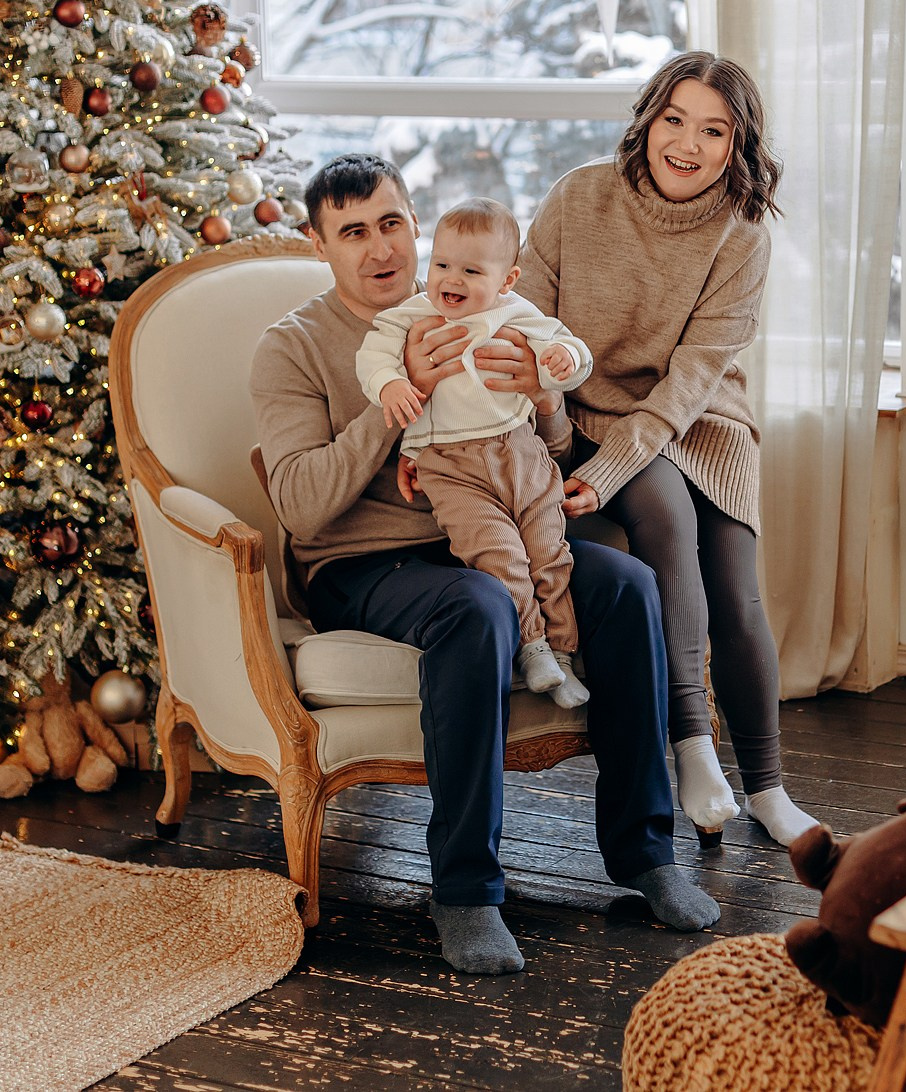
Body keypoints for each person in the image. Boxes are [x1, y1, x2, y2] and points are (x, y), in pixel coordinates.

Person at [251, 154, 719, 975]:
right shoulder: (292, 347)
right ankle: (466, 890)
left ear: (414, 222)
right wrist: (393, 412)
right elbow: (298, 505)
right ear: (318, 244)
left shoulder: (474, 307)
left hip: (485, 532)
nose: (379, 248)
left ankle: (646, 854)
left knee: (628, 587)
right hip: (363, 566)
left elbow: (546, 453)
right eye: (352, 232)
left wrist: (542, 395)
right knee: (479, 606)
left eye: (392, 222)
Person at [409, 52, 820, 848]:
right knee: (665, 520)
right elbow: (523, 326)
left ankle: (768, 788)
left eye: (714, 130)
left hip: (699, 420)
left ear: (738, 146)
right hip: (583, 409)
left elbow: (692, 381)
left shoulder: (742, 235)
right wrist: (550, 414)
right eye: (675, 120)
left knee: (737, 588)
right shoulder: (580, 198)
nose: (688, 144)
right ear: (648, 119)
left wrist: (609, 471)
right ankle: (695, 750)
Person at [356, 197, 594, 709]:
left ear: (507, 280)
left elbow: (571, 352)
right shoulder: (413, 314)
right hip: (449, 465)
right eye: (441, 264)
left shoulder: (518, 313)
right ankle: (533, 649)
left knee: (549, 554)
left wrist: (561, 360)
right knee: (501, 558)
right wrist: (390, 385)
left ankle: (564, 655)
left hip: (520, 454)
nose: (452, 279)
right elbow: (372, 354)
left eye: (470, 270)